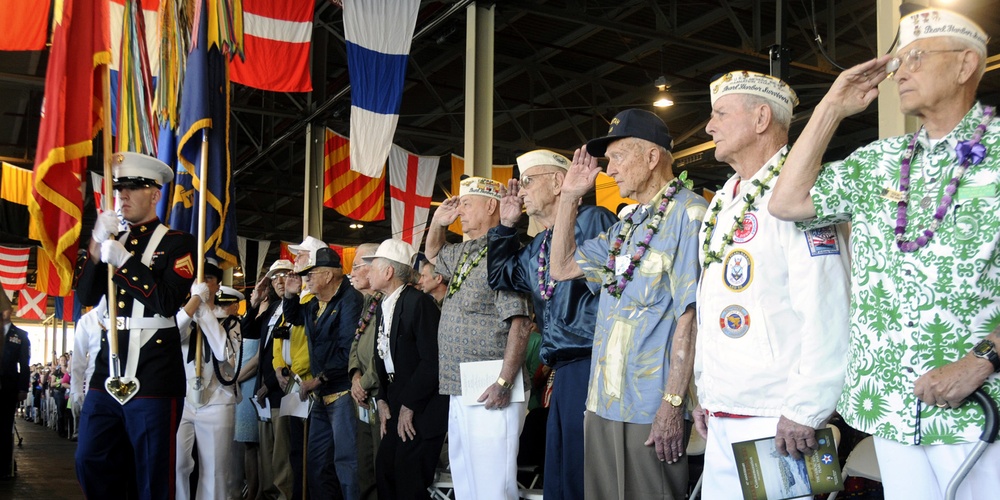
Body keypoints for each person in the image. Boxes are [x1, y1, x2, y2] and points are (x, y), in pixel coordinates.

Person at [768, 7, 1000, 498]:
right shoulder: (879, 161)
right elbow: (787, 201)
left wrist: (983, 359)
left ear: (964, 66)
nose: (902, 70)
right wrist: (832, 105)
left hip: (978, 409)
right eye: (900, 60)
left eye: (918, 57)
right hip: (890, 404)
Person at [692, 71, 851, 497]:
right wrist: (705, 389)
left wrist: (808, 407)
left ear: (761, 117)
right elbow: (711, 305)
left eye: (720, 114)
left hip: (780, 417)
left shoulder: (800, 192)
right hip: (724, 412)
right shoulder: (723, 200)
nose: (708, 126)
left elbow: (827, 303)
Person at [548, 109, 706, 499]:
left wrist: (672, 403)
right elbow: (562, 266)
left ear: (652, 158)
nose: (609, 170)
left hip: (650, 404)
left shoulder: (690, 215)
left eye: (618, 157)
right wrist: (569, 197)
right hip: (603, 398)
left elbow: (691, 316)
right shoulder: (626, 226)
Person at [487, 149, 617, 500]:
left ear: (559, 183)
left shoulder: (593, 220)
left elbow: (609, 290)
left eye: (529, 181)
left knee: (583, 470)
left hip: (593, 363)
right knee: (560, 471)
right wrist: (505, 226)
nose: (522, 191)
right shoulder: (539, 246)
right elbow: (500, 276)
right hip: (562, 368)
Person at [74, 152, 196, 499]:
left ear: (155, 194)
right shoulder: (114, 241)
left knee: (152, 472)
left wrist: (125, 262)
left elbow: (167, 303)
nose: (123, 195)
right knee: (90, 458)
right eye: (120, 188)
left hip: (154, 372)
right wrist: (97, 246)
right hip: (108, 369)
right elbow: (85, 292)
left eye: (133, 188)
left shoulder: (178, 243)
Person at [425, 176, 534, 500]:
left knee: (492, 486)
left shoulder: (503, 251)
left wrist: (503, 382)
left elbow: (520, 321)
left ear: (491, 206)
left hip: (491, 384)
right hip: (460, 383)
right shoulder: (462, 251)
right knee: (466, 480)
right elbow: (433, 254)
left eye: (466, 204)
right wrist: (436, 222)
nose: (460, 212)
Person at [365, 239, 448, 500]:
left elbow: (432, 361)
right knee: (385, 472)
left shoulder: (418, 303)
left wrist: (409, 405)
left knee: (408, 479)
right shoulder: (383, 305)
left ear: (389, 272)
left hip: (423, 406)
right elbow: (383, 357)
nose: (368, 273)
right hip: (398, 398)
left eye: (373, 267)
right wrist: (381, 398)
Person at [282, 246, 364, 500]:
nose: (306, 278)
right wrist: (289, 294)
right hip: (320, 396)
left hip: (342, 393)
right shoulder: (315, 304)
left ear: (328, 275)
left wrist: (318, 379)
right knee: (317, 464)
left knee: (346, 463)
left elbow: (347, 348)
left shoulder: (350, 300)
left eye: (311, 273)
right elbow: (293, 317)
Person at [175, 273, 241, 500]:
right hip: (182, 400)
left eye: (208, 277)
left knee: (214, 471)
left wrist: (204, 313)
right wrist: (193, 307)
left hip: (217, 401)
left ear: (217, 285)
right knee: (177, 465)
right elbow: (174, 332)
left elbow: (225, 355)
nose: (201, 281)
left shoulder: (230, 322)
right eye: (197, 278)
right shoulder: (182, 317)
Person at [276, 236, 326, 500]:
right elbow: (284, 331)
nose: (296, 260)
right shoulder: (302, 297)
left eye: (302, 255)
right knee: (297, 449)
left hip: (313, 381)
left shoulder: (317, 298)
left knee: (313, 452)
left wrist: (303, 373)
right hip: (296, 380)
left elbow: (311, 342)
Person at [242, 259, 294, 500]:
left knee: (281, 454)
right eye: (275, 277)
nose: (280, 281)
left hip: (283, 389)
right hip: (264, 393)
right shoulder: (273, 309)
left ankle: (282, 496)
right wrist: (252, 305)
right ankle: (266, 494)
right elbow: (248, 333)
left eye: (285, 275)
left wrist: (269, 383)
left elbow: (292, 353)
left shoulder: (299, 307)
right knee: (266, 452)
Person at [347, 242, 383, 500]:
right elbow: (355, 344)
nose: (352, 273)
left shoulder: (387, 303)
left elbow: (383, 352)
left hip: (380, 394)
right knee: (365, 464)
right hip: (363, 395)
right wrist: (354, 376)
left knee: (380, 464)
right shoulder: (368, 303)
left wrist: (365, 380)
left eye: (356, 266)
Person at [1, 290, 30, 479]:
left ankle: (4, 467)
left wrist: (22, 388)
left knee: (5, 427)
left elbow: (24, 365)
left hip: (8, 387)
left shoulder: (19, 335)